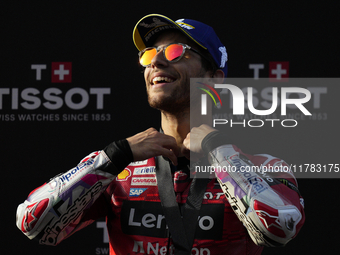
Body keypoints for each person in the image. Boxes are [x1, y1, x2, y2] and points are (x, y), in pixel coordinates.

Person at [16, 14, 305, 255]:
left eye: (176, 51)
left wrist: (219, 152)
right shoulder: (119, 167)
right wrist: (114, 157)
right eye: (150, 54)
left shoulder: (262, 166)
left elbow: (281, 227)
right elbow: (32, 222)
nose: (156, 62)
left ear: (213, 79)